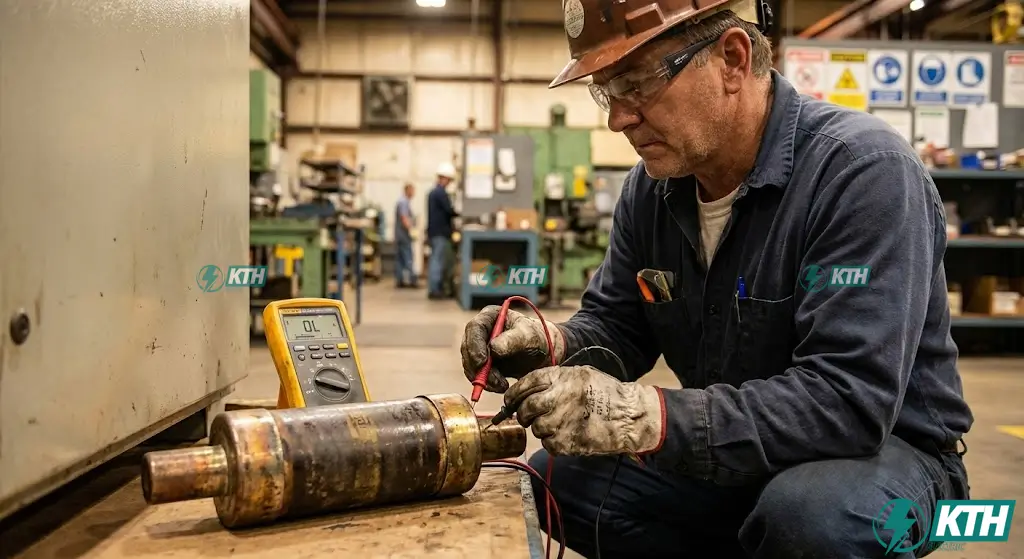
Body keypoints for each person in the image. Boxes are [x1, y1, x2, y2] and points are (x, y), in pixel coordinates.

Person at [459, 0, 973, 557]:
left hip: (888, 456)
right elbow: (619, 327)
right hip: (740, 449)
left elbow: (847, 403)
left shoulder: (861, 173)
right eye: (607, 93)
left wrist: (647, 417)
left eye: (636, 84)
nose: (618, 119)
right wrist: (551, 344)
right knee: (555, 479)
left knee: (811, 518)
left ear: (732, 59)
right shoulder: (651, 191)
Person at [426, 162, 458, 300]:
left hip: (435, 232)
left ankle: (435, 288)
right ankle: (435, 290)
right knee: (437, 261)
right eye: (448, 180)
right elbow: (449, 210)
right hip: (440, 232)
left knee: (436, 259)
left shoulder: (433, 192)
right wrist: (459, 213)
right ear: (443, 178)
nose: (449, 182)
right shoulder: (440, 193)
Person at [393, 183, 418, 288]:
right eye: (412, 190)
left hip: (399, 235)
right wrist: (412, 230)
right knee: (408, 257)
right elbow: (404, 218)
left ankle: (399, 280)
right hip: (404, 235)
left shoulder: (401, 201)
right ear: (408, 191)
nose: (414, 193)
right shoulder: (404, 202)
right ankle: (412, 280)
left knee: (400, 258)